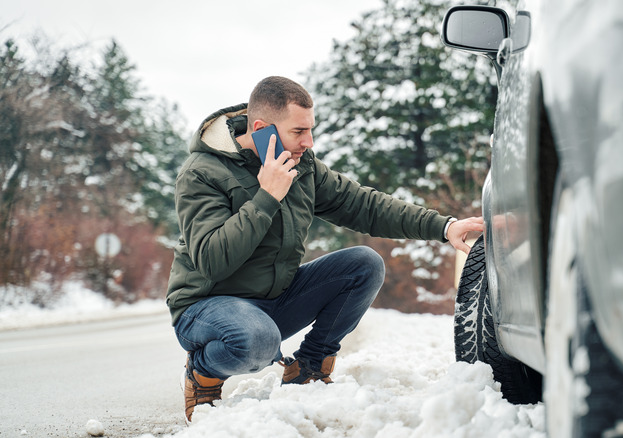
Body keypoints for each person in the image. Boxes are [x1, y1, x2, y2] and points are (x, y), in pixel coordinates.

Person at [166, 76, 484, 422]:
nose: (309, 141)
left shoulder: (302, 165)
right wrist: (267, 196)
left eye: (310, 130)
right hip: (208, 307)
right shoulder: (203, 172)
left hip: (273, 301)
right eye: (298, 131)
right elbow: (213, 261)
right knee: (256, 339)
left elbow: (365, 205)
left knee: (364, 264)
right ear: (262, 129)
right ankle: (203, 373)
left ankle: (310, 366)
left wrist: (444, 226)